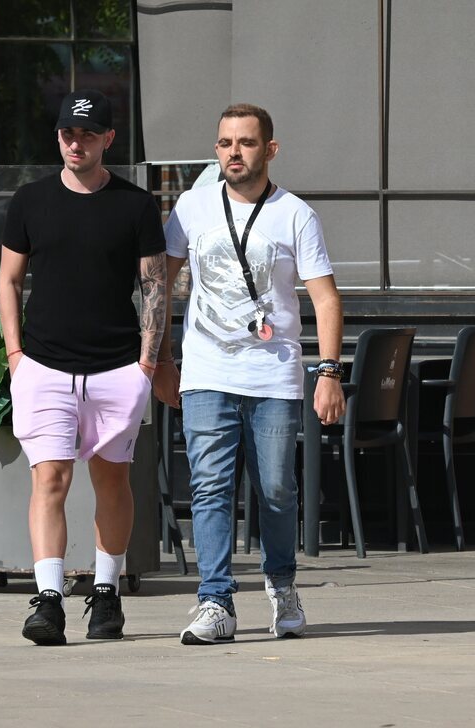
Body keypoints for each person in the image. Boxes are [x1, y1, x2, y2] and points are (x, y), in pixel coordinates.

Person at [153, 103, 345, 644]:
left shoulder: (295, 215)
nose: (234, 152)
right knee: (210, 488)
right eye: (224, 143)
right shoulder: (191, 208)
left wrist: (328, 372)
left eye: (246, 142)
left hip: (274, 376)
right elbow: (159, 288)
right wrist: (161, 360)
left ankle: (281, 585)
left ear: (270, 149)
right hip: (207, 373)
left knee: (277, 491)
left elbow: (326, 300)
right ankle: (215, 602)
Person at [0, 89, 167, 645]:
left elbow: (154, 286)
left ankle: (107, 592)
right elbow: (9, 280)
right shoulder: (30, 200)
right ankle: (48, 600)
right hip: (43, 364)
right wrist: (15, 354)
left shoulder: (136, 204)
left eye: (88, 134)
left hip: (118, 365)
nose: (77, 143)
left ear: (108, 139)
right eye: (69, 134)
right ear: (59, 138)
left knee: (111, 478)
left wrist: (146, 361)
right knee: (50, 476)